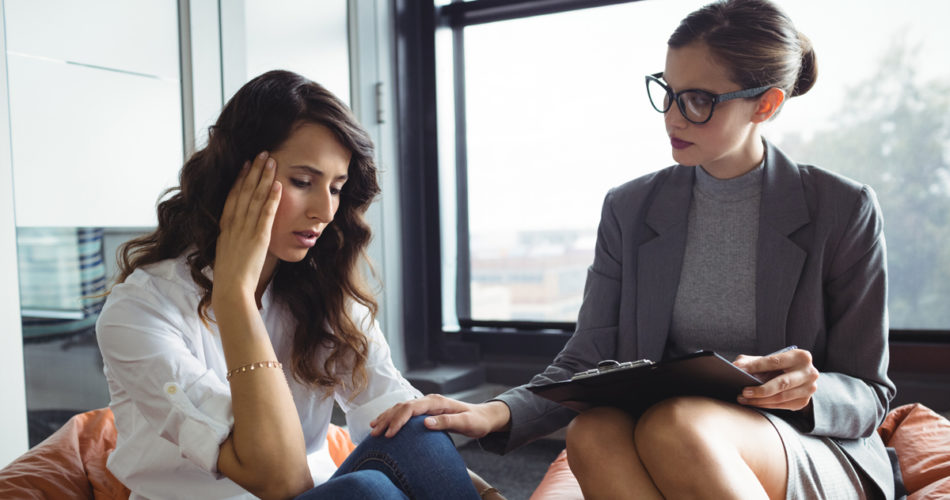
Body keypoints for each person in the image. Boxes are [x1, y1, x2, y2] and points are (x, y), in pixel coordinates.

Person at [370, 1, 896, 498]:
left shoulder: (841, 208)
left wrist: (810, 391)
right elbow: (590, 355)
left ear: (766, 104)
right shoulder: (631, 207)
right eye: (667, 91)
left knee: (677, 424)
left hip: (804, 443)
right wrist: (496, 412)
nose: (672, 116)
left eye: (698, 100)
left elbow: (870, 392)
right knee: (593, 431)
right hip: (673, 432)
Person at [95, 70, 481, 500]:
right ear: (235, 179)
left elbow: (398, 415)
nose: (325, 211)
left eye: (336, 188)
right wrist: (236, 295)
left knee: (414, 425)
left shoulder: (319, 292)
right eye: (303, 182)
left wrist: (487, 493)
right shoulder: (139, 312)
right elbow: (280, 479)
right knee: (368, 493)